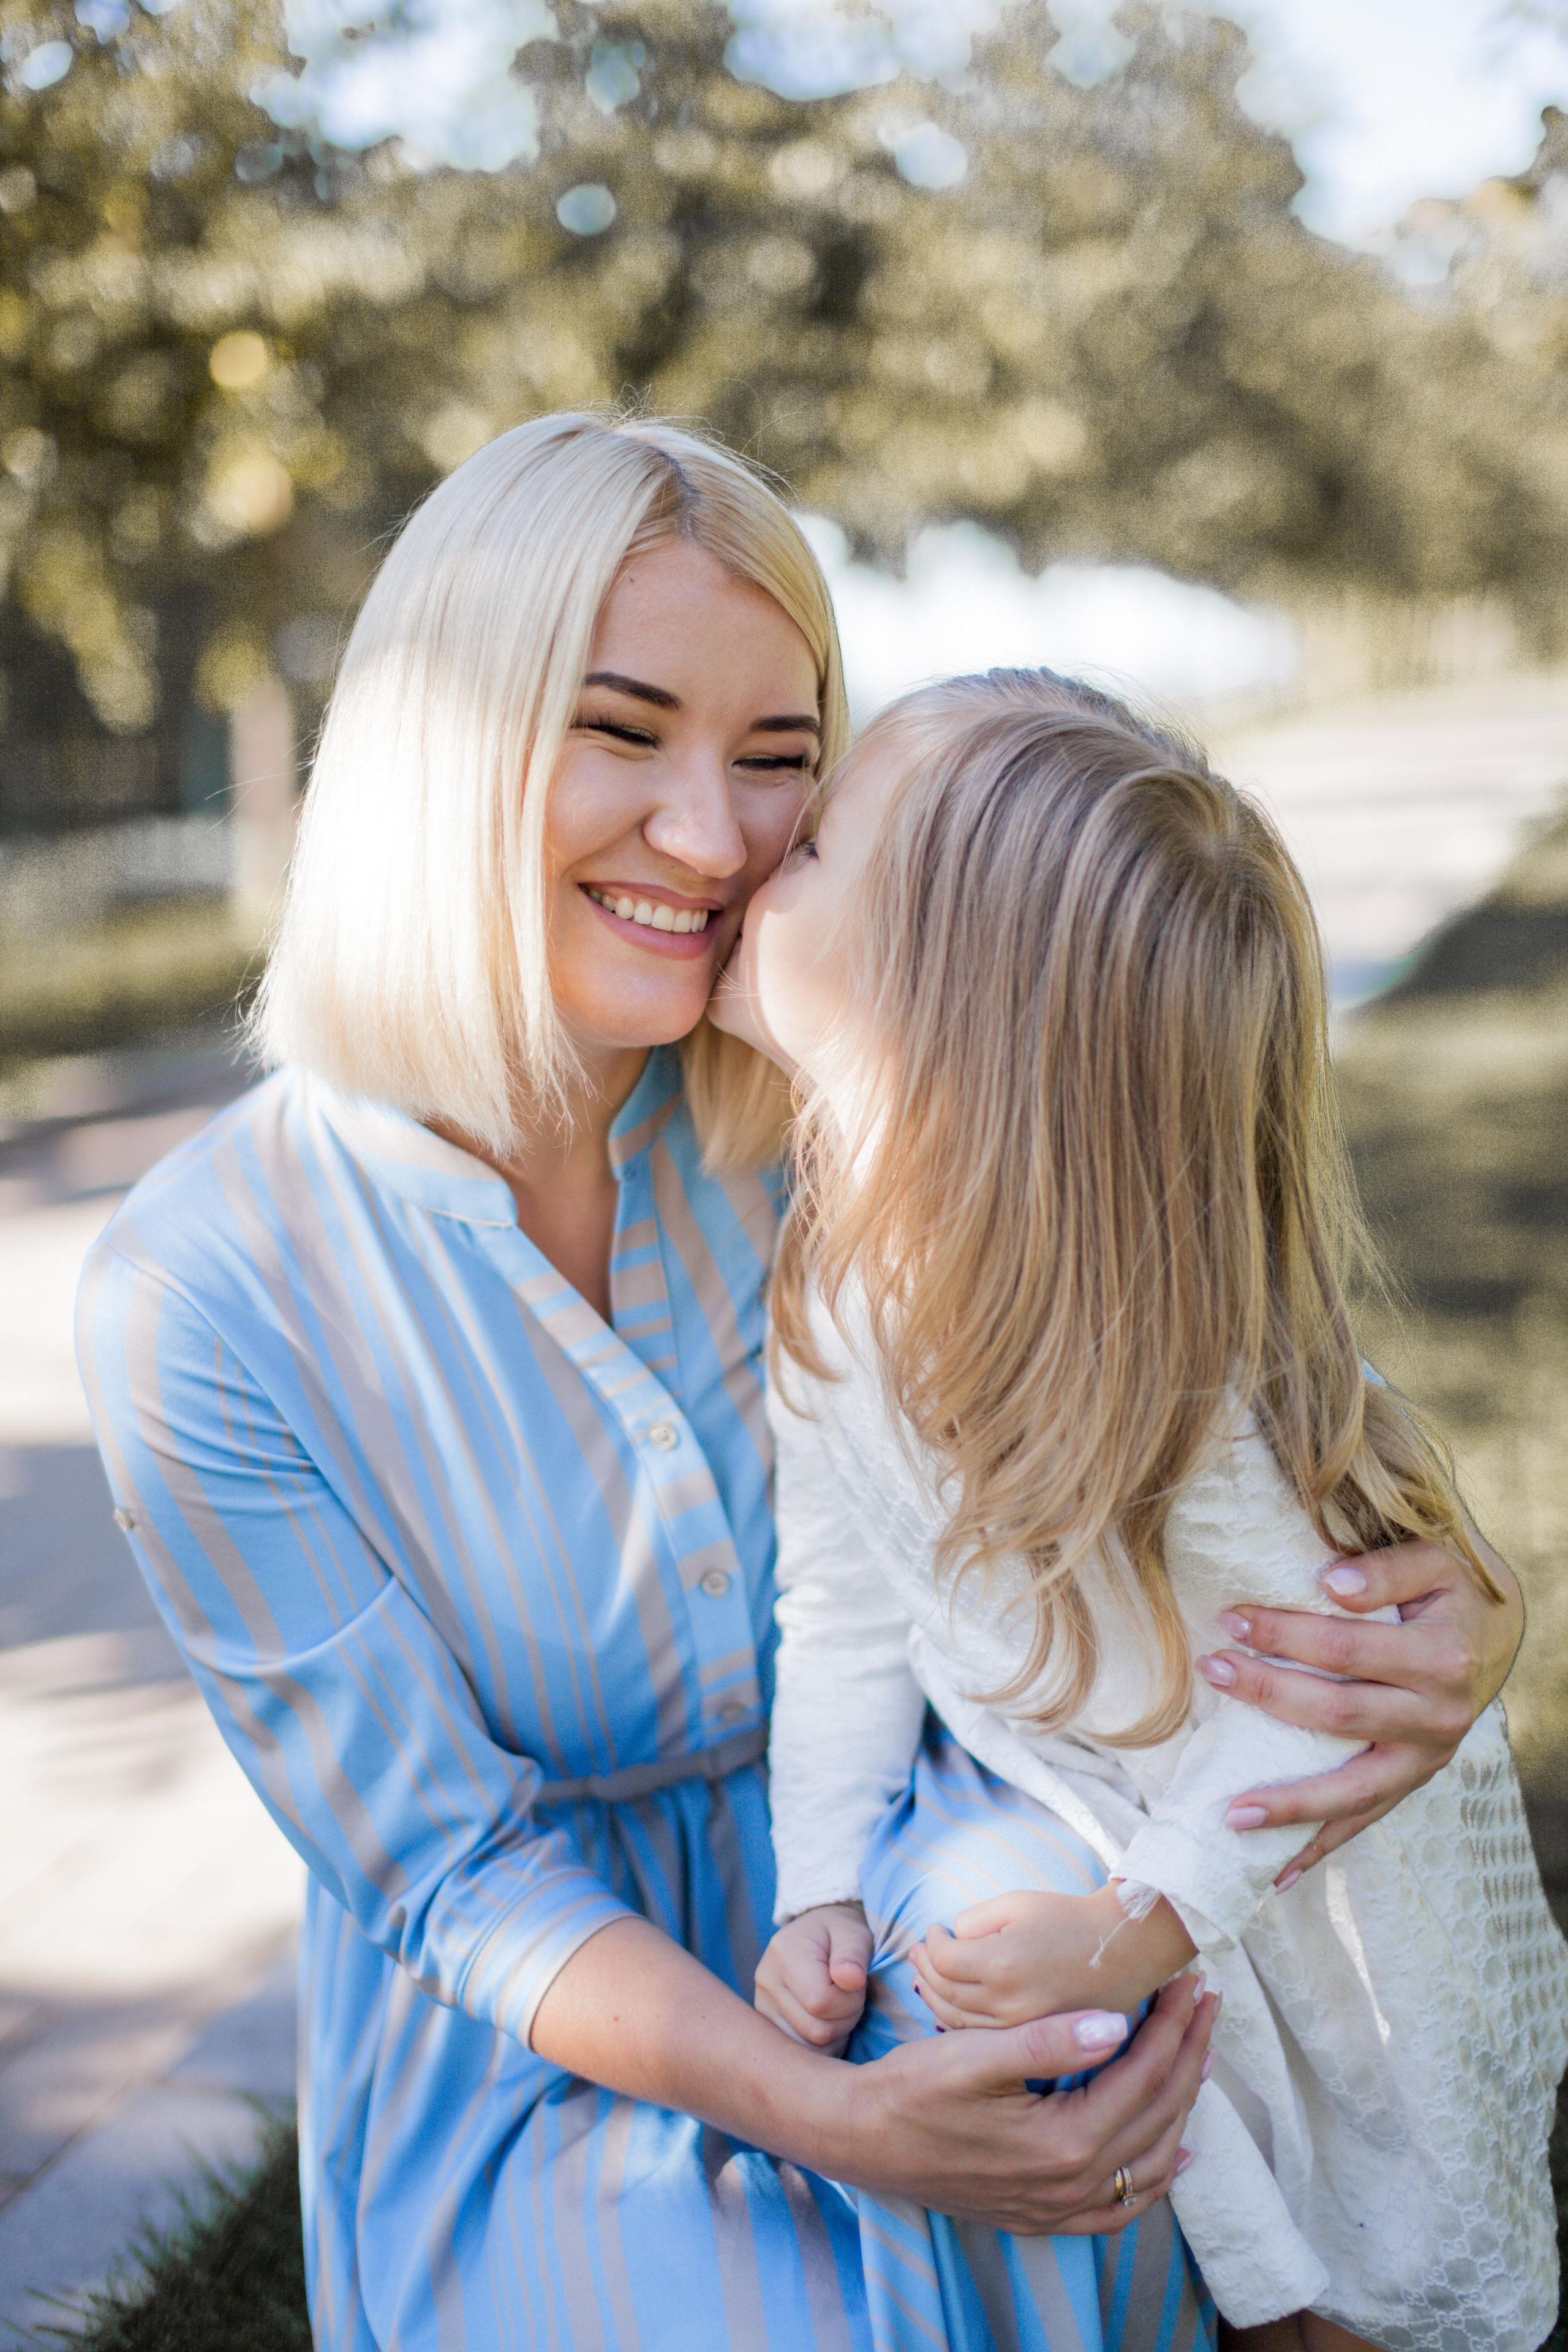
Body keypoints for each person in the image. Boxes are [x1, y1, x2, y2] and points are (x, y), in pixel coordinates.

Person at [77, 416, 1525, 2352]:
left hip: (923, 1855)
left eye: (780, 760)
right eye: (623, 731)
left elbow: (1226, 1396)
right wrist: (836, 2120)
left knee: (1050, 2019)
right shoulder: (202, 1289)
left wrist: (1446, 1618)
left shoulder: (855, 1092)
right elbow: (449, 1877)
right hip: (542, 2031)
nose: (712, 838)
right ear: (445, 746)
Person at [716, 668, 1568, 2352]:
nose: (765, 854)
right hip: (1109, 1829)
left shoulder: (1159, 1357)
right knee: (1243, 2246)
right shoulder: (832, 1278)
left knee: (1372, 2246)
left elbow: (1320, 1694)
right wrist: (818, 1885)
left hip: (1301, 1900)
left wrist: (1134, 1930)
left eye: (812, 847)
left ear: (934, 1000)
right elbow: (847, 1608)